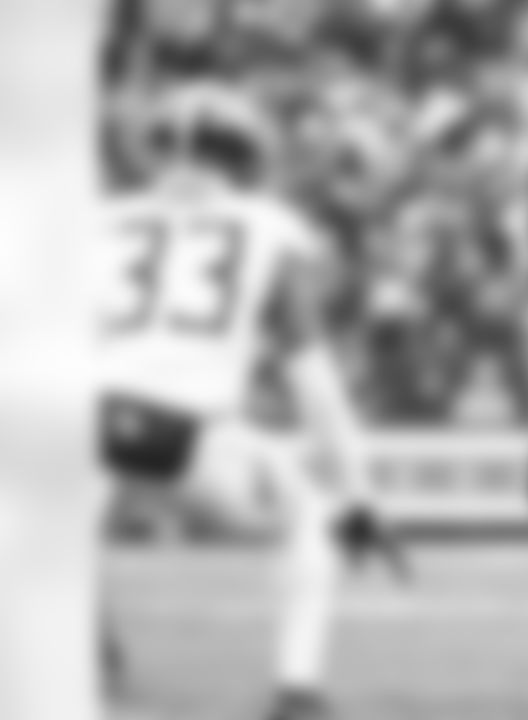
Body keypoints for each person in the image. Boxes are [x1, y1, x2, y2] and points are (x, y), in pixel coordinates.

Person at [97, 84, 401, 720]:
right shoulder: (270, 229)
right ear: (245, 157)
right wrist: (361, 495)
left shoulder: (100, 221)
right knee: (308, 513)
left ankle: (83, 638)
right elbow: (315, 384)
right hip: (178, 425)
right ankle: (298, 691)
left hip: (76, 414)